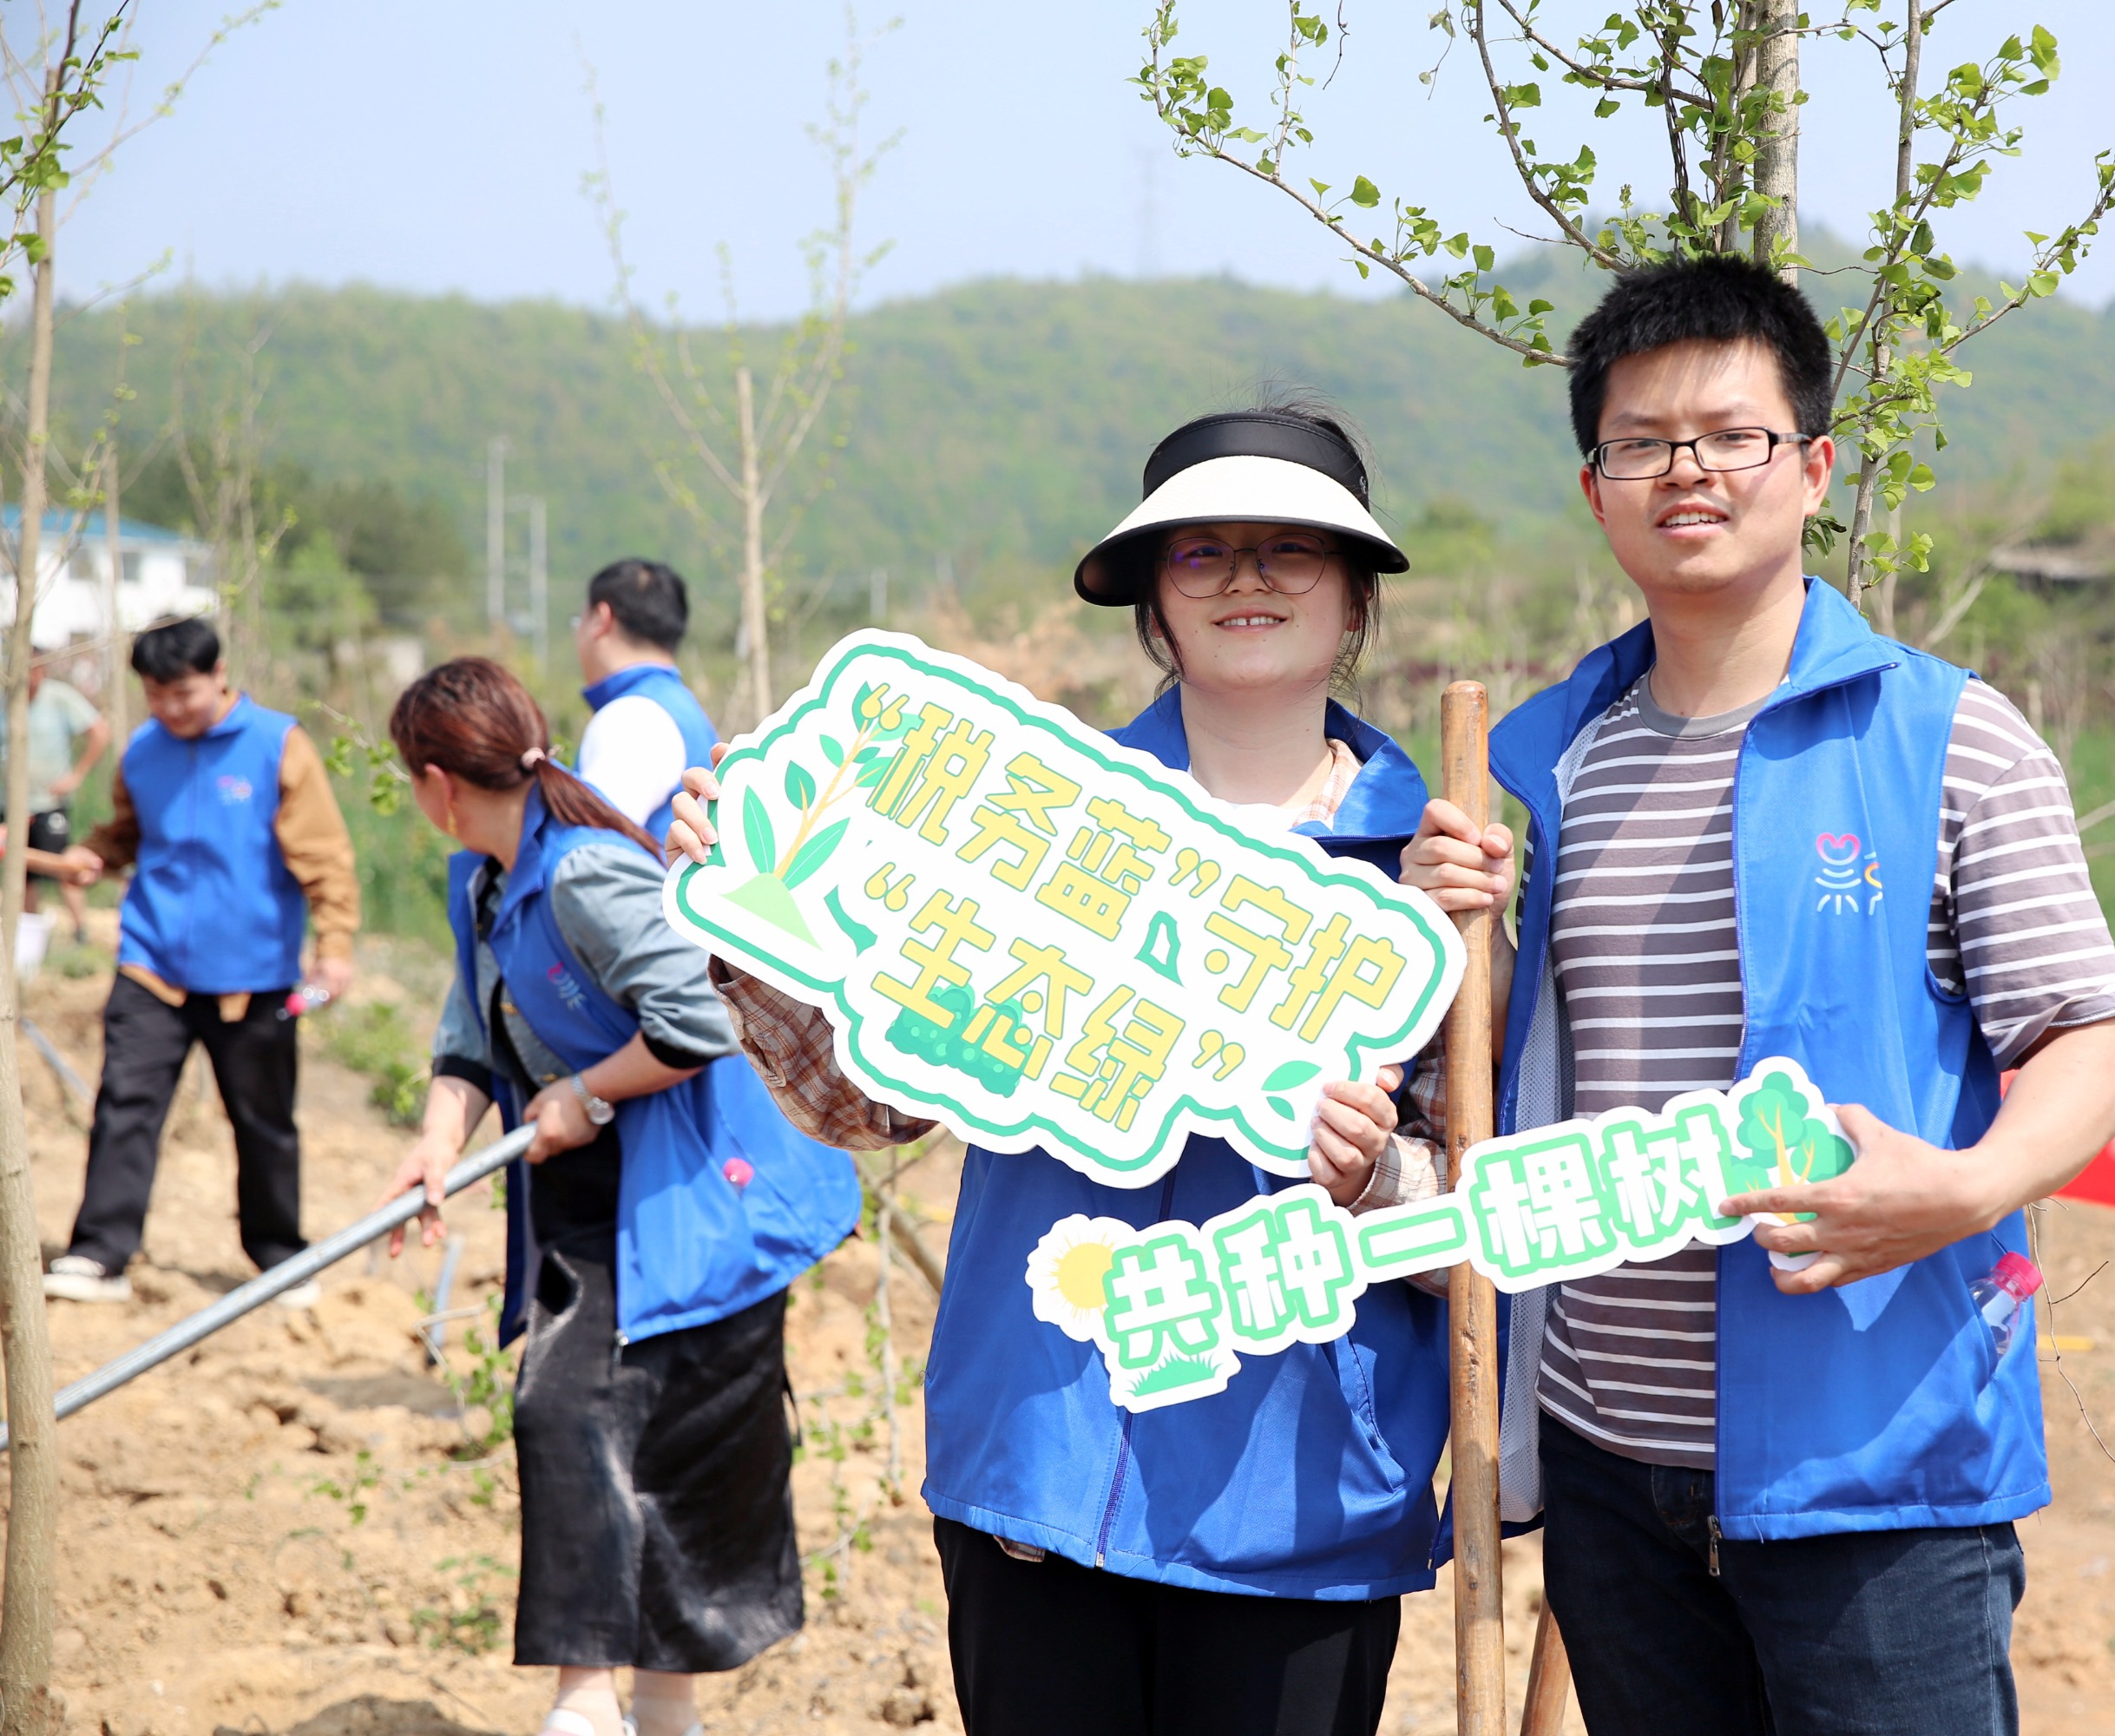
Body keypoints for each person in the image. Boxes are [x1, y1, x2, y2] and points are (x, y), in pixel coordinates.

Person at [1400, 257, 2115, 1734]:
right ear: (1595, 484)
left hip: (1877, 1471)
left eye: (1731, 435)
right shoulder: (1535, 768)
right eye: (1640, 441)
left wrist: (1966, 1184)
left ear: (1809, 468)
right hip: (1610, 1469)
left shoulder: (1950, 737)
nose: (1687, 471)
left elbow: (2087, 1048)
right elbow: (1481, 1092)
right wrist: (1443, 942)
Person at [669, 404, 1453, 1736]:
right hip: (1044, 1461)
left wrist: (1379, 1175)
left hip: (1299, 1490)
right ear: (1152, 602)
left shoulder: (1439, 877)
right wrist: (767, 923)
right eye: (1202, 554)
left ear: (1356, 603)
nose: (1248, 579)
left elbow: (1488, 1218)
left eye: (1291, 551)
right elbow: (878, 1101)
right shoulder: (1019, 840)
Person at [376, 657, 860, 1736]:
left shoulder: (588, 874)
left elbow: (696, 1022)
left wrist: (581, 1094)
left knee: (666, 1432)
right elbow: (471, 1027)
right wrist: (437, 1141)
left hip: (696, 1183)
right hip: (593, 1190)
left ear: (439, 782)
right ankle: (603, 1702)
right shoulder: (487, 881)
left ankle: (630, 1706)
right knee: (572, 1415)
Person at [46, 616, 359, 1307]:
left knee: (264, 1119)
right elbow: (128, 832)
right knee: (124, 1106)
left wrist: (334, 947)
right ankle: (101, 1251)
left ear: (219, 676)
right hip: (151, 962)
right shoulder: (143, 751)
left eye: (182, 692)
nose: (170, 709)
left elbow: (325, 858)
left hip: (255, 974)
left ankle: (279, 1255)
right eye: (156, 695)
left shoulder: (278, 746)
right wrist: (96, 853)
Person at [573, 557, 719, 832]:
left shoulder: (634, 718)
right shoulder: (678, 706)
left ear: (601, 620)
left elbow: (593, 849)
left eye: (579, 620)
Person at [1, 647, 110, 937]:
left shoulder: (58, 698)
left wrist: (76, 776)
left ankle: (80, 931)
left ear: (43, 670)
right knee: (21, 874)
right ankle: (26, 937)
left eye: (34, 670)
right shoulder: (4, 700)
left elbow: (100, 731)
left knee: (65, 866)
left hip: (50, 803)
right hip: (12, 806)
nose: (28, 677)